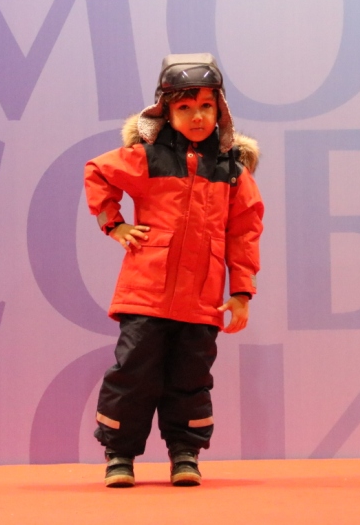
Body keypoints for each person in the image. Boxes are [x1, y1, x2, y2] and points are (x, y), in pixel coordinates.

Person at [83, 53, 264, 487]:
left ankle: (185, 453)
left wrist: (241, 292)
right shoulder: (146, 158)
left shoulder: (232, 171)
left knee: (191, 379)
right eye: (184, 107)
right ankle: (119, 455)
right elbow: (98, 173)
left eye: (205, 106)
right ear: (165, 111)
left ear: (220, 110)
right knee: (133, 374)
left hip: (202, 300)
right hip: (145, 294)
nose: (196, 116)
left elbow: (244, 232)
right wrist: (114, 223)